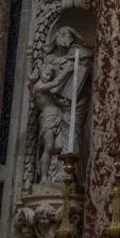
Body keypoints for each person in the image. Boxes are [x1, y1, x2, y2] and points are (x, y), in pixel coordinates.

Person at [30, 26, 92, 180]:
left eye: (67, 35)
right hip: (54, 107)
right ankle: (51, 173)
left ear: (72, 39)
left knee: (72, 134)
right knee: (53, 145)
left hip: (73, 104)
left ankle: (69, 171)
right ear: (55, 38)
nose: (64, 37)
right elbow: (49, 83)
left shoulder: (78, 55)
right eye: (61, 34)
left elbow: (87, 53)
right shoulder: (49, 60)